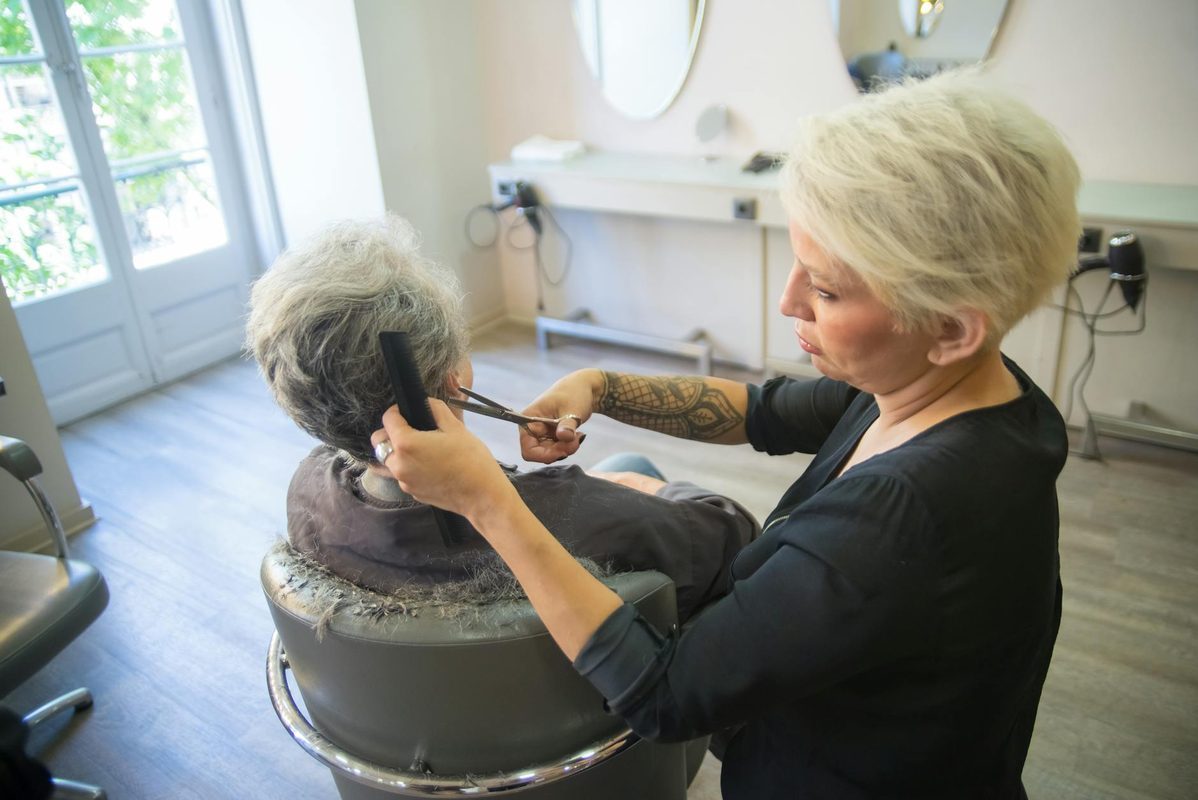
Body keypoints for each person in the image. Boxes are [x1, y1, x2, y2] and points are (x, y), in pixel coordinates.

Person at [373, 68, 1078, 799]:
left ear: (952, 327)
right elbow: (762, 410)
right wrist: (600, 387)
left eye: (826, 290)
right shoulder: (976, 394)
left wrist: (488, 500)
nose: (787, 301)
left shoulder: (900, 524)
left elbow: (665, 694)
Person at [245, 215, 756, 621]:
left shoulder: (307, 494)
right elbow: (737, 538)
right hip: (595, 727)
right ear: (450, 383)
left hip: (441, 733)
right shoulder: (585, 514)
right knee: (634, 464)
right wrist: (627, 486)